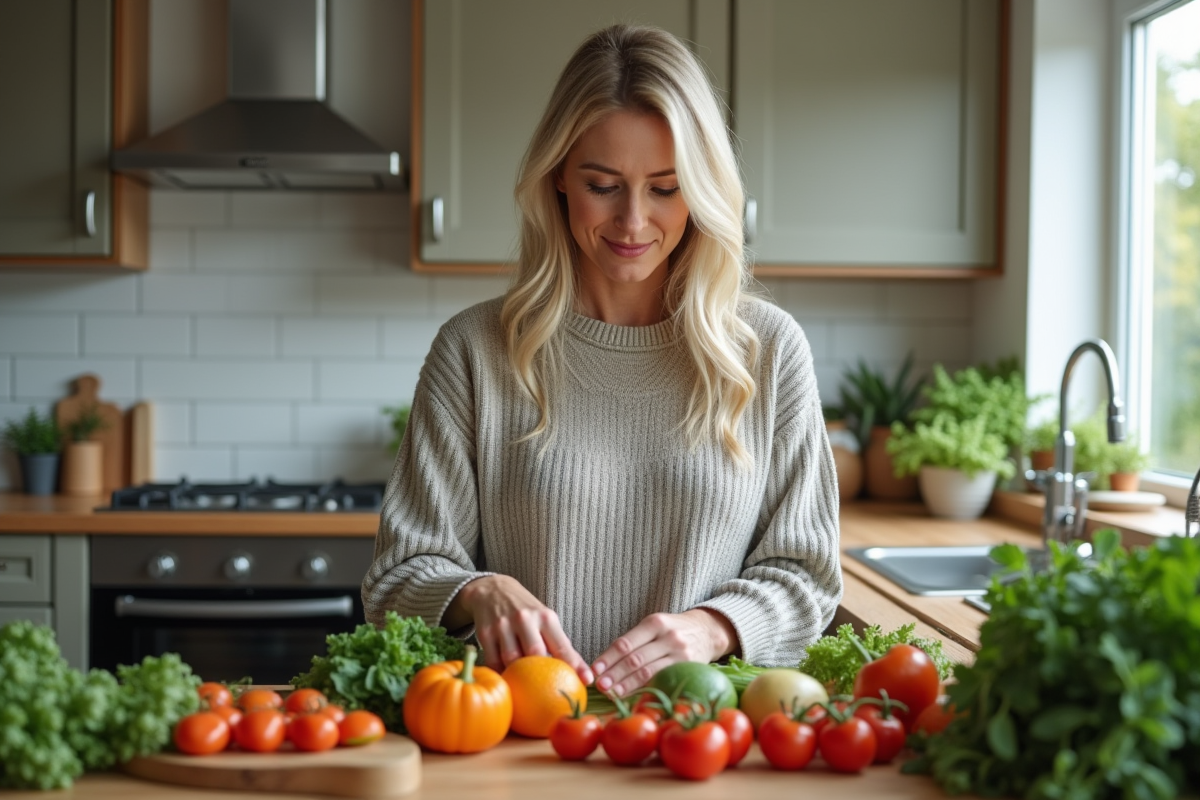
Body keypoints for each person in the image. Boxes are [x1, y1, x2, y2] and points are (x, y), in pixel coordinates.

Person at [362, 23, 841, 698]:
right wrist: (479, 590)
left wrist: (710, 628)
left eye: (666, 188)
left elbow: (807, 575)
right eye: (603, 184)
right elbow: (397, 578)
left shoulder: (766, 352)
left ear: (703, 192)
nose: (633, 222)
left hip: (699, 743)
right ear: (558, 176)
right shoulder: (474, 351)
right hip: (522, 740)